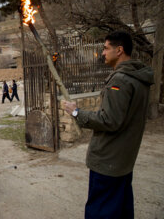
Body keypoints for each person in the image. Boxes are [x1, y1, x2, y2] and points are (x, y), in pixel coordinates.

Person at [63, 31, 154, 218]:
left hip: (109, 161)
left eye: (105, 48)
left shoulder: (120, 80)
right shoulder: (138, 77)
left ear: (119, 50)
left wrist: (76, 112)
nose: (102, 53)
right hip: (123, 160)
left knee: (100, 211)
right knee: (121, 210)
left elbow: (109, 120)